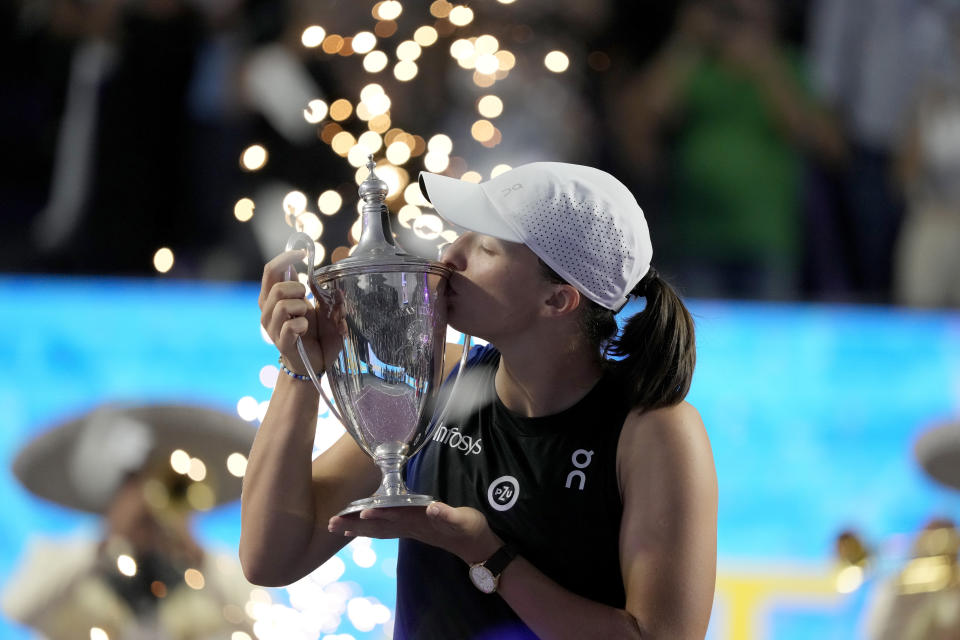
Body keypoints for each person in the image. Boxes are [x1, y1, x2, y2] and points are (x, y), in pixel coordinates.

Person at [241, 162, 718, 638]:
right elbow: (271, 557)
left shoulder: (654, 431)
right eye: (460, 235)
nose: (450, 255)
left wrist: (488, 555)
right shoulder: (442, 375)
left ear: (558, 300)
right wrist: (299, 367)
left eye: (485, 247)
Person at [2, 404, 258, 640]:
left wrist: (194, 553)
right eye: (133, 488)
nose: (149, 506)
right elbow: (18, 610)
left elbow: (262, 626)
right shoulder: (61, 558)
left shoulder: (217, 567)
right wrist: (105, 543)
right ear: (112, 498)